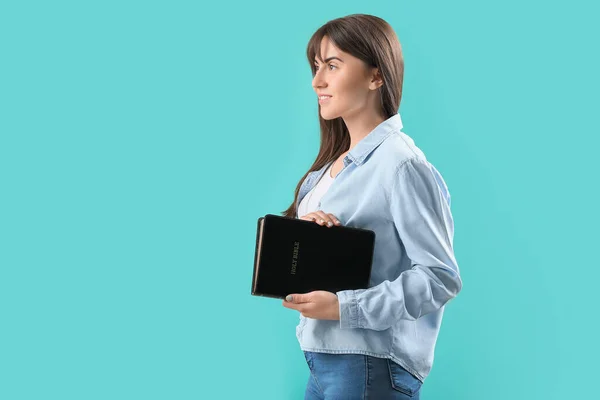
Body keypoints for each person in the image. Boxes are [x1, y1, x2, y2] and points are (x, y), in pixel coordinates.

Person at [279, 14, 463, 399]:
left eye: (332, 65)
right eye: (316, 67)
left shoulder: (401, 164)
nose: (317, 82)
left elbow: (439, 277)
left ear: (375, 76)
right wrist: (310, 236)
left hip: (367, 365)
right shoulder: (330, 167)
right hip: (323, 359)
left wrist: (345, 308)